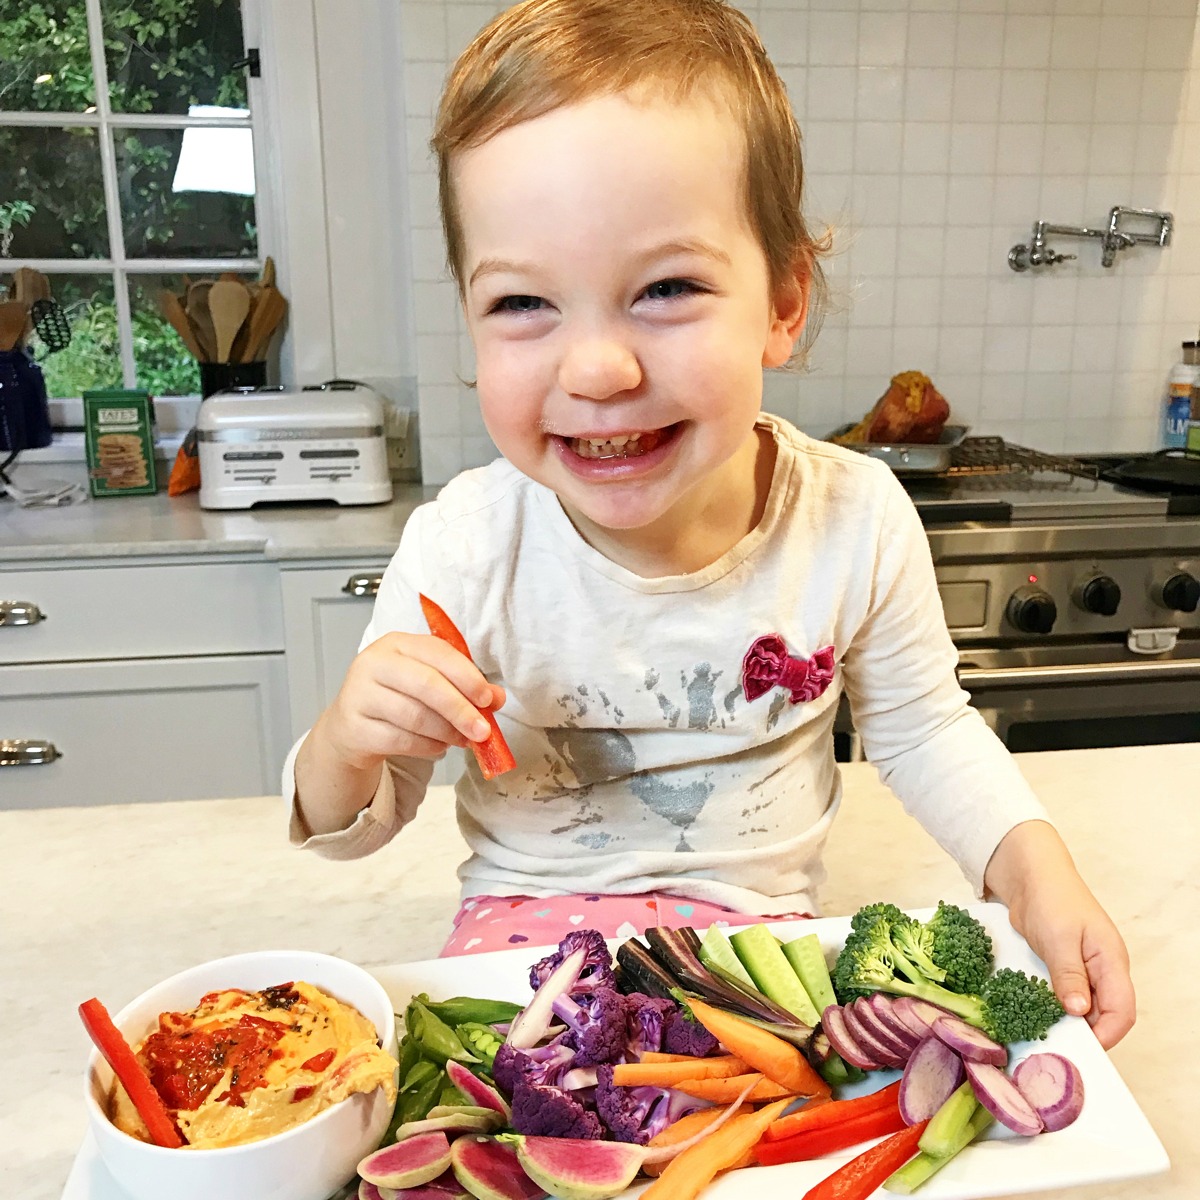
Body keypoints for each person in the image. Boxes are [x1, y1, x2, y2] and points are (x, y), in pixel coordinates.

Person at [284, 0, 1134, 1049]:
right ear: (468, 314)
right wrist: (344, 740)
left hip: (764, 964)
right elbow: (351, 823)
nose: (598, 369)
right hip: (515, 974)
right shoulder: (462, 545)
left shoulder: (854, 516)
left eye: (667, 287)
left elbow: (924, 732)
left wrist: (1040, 877)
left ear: (782, 302)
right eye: (521, 305)